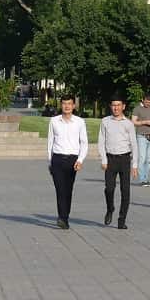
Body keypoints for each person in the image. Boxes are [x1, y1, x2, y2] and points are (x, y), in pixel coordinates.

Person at [46, 95, 88, 229]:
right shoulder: (54, 121)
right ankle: (62, 217)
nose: (67, 106)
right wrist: (50, 161)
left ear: (74, 106)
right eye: (64, 103)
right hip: (57, 159)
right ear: (61, 105)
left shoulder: (79, 122)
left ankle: (65, 216)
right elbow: (50, 142)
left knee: (68, 190)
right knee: (60, 189)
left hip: (72, 160)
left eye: (69, 104)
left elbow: (84, 143)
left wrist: (80, 160)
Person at [99, 98, 138, 229]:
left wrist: (135, 165)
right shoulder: (105, 122)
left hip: (125, 159)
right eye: (113, 105)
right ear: (111, 106)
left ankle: (122, 220)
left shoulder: (128, 124)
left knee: (125, 191)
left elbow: (134, 144)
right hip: (110, 159)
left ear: (123, 106)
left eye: (118, 105)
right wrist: (104, 159)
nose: (116, 108)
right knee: (109, 189)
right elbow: (101, 141)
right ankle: (110, 208)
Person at [131, 92, 150, 185]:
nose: (148, 104)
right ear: (143, 100)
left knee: (148, 159)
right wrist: (144, 122)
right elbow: (133, 122)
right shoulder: (137, 109)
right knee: (142, 158)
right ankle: (142, 179)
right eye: (147, 102)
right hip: (141, 136)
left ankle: (146, 179)